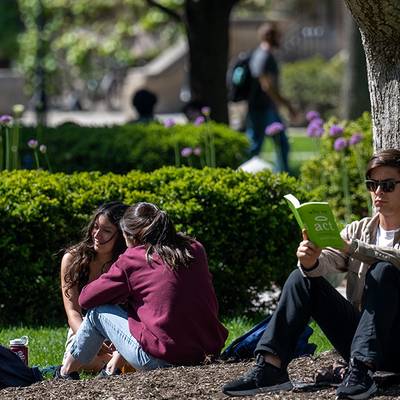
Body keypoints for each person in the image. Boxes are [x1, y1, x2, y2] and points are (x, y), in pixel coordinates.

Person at [223, 149, 400, 400]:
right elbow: (333, 257)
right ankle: (272, 367)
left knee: (384, 271)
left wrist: (354, 248)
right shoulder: (360, 229)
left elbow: (394, 258)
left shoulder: (357, 241)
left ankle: (361, 371)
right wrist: (311, 260)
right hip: (364, 341)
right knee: (301, 278)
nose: (378, 192)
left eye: (388, 185)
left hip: (395, 344)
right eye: (372, 185)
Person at [57, 202, 228, 379]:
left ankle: (65, 372)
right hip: (206, 352)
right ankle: (110, 370)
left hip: (160, 359)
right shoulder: (195, 248)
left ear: (129, 236)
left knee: (97, 313)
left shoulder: (134, 257)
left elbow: (86, 299)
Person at [61, 201, 129, 375]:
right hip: (84, 326)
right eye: (95, 227)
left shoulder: (128, 261)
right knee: (76, 357)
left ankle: (116, 364)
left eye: (106, 231)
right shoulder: (72, 259)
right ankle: (115, 366)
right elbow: (73, 312)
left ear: (121, 236)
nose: (97, 235)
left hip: (120, 327)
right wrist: (92, 342)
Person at [246, 22, 296, 172]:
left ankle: (278, 176)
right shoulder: (265, 56)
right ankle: (282, 177)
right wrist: (286, 105)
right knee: (273, 145)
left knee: (259, 145)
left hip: (259, 107)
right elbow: (267, 86)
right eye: (277, 36)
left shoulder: (257, 54)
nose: (280, 39)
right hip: (264, 108)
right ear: (269, 36)